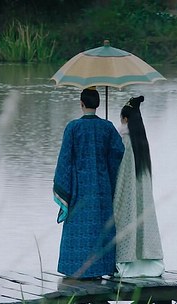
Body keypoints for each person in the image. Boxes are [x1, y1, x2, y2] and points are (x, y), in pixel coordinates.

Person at [53, 87, 125, 279]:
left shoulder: (73, 127)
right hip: (102, 187)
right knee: (100, 226)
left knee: (78, 226)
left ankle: (75, 269)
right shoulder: (107, 127)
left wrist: (65, 188)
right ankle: (101, 268)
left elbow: (65, 161)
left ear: (81, 103)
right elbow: (119, 152)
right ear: (98, 104)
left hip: (79, 188)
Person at [113, 95, 165, 277]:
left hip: (127, 194)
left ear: (125, 119)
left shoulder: (124, 141)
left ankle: (127, 264)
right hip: (143, 196)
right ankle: (150, 264)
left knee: (127, 220)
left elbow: (119, 171)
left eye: (121, 119)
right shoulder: (142, 143)